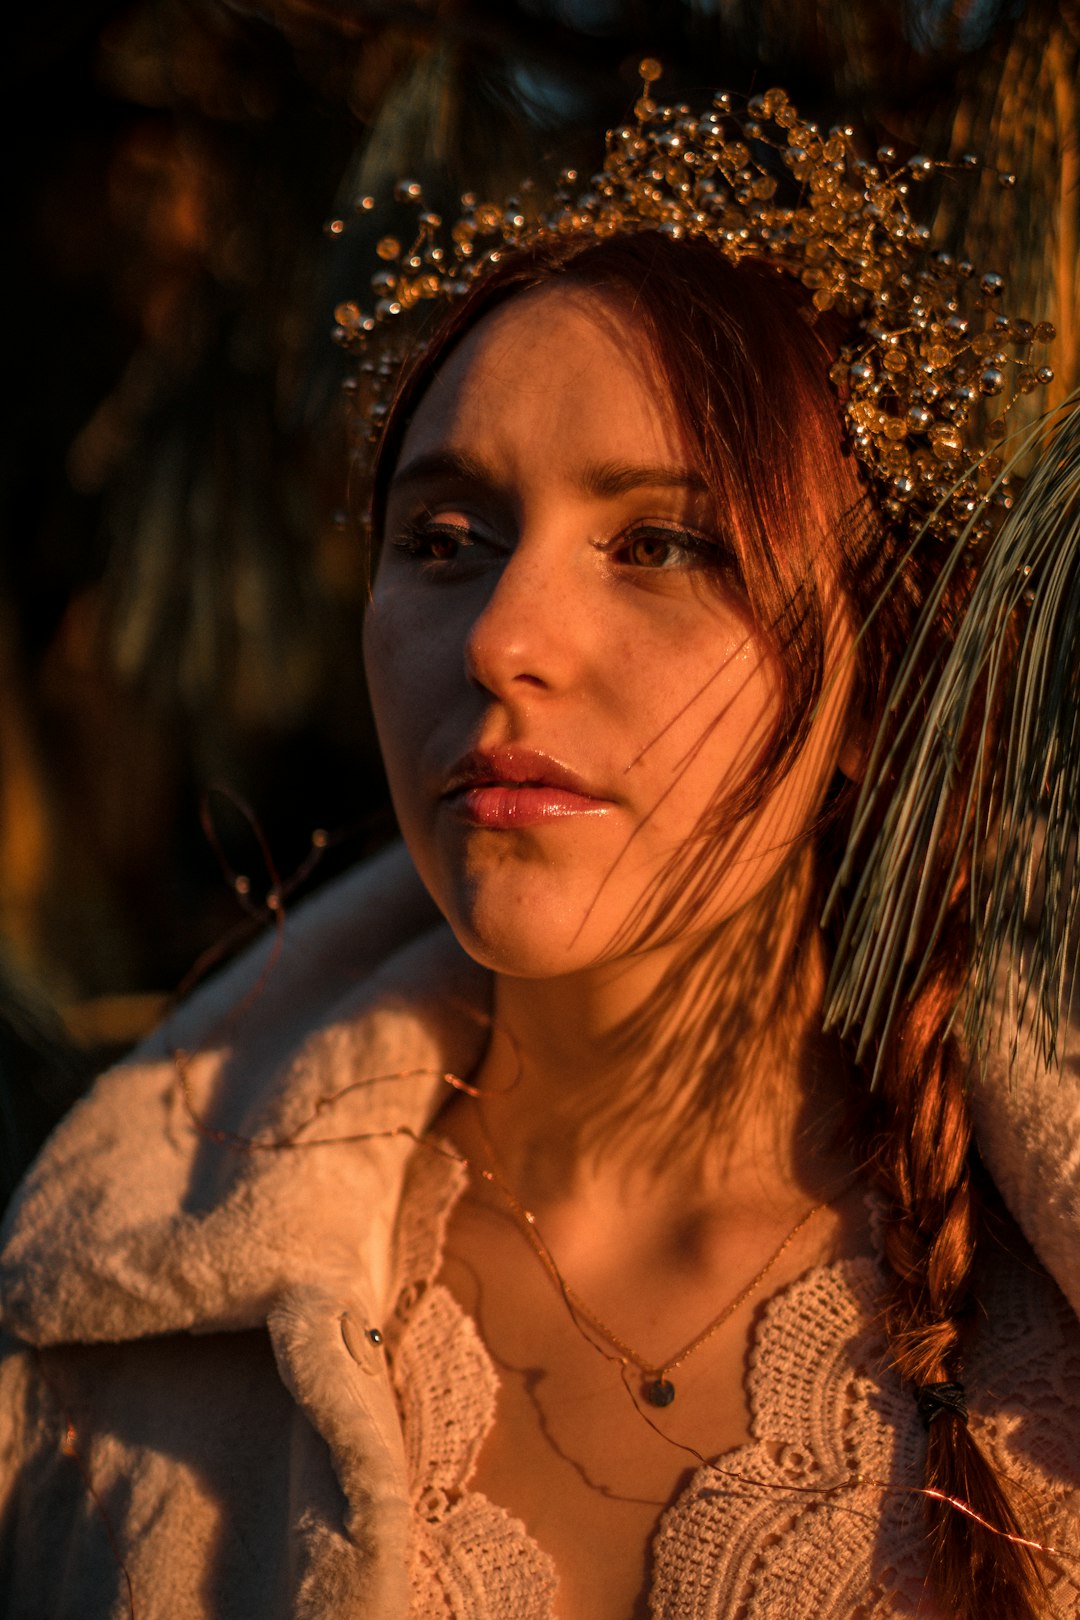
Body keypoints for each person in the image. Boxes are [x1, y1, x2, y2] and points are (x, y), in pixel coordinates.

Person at [1, 75, 1078, 1620]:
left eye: (659, 544)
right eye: (446, 542)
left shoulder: (1043, 1348)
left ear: (875, 673)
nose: (503, 640)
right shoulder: (120, 1368)